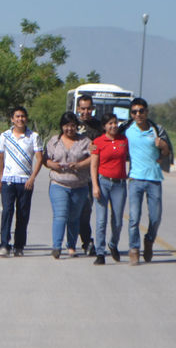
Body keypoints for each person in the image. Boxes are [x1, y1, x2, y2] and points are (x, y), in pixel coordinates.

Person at [119, 98, 170, 265]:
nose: (138, 114)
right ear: (131, 114)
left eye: (141, 111)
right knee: (134, 217)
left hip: (154, 179)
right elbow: (111, 138)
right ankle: (134, 249)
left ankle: (148, 241)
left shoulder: (156, 130)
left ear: (147, 112)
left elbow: (167, 152)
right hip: (135, 179)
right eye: (134, 111)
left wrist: (162, 145)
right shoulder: (126, 129)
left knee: (155, 217)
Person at [0, 106, 43, 257]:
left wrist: (32, 177)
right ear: (12, 119)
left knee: (22, 214)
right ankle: (4, 244)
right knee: (7, 212)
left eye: (22, 116)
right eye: (17, 116)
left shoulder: (33, 136)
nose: (20, 119)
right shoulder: (5, 136)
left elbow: (39, 158)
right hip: (8, 180)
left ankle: (19, 245)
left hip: (25, 181)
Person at [43, 112, 92, 259]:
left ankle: (71, 246)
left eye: (72, 125)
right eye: (66, 125)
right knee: (60, 215)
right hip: (59, 183)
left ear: (77, 126)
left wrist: (79, 165)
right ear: (61, 126)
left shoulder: (85, 141)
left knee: (74, 217)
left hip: (79, 185)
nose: (69, 128)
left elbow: (94, 158)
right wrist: (53, 165)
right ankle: (56, 246)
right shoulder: (54, 141)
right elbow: (46, 159)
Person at [90, 113, 128, 265]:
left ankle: (113, 244)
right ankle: (100, 252)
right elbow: (93, 166)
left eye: (115, 122)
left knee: (117, 220)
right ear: (104, 126)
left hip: (119, 184)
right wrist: (95, 186)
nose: (113, 126)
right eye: (110, 123)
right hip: (103, 182)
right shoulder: (98, 142)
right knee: (101, 220)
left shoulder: (123, 140)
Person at [76, 95, 104, 256]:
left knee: (87, 210)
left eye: (88, 108)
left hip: (93, 175)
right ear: (78, 109)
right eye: (83, 108)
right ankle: (80, 241)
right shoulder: (73, 125)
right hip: (75, 175)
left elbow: (99, 150)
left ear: (92, 108)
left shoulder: (99, 127)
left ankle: (90, 242)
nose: (86, 111)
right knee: (75, 212)